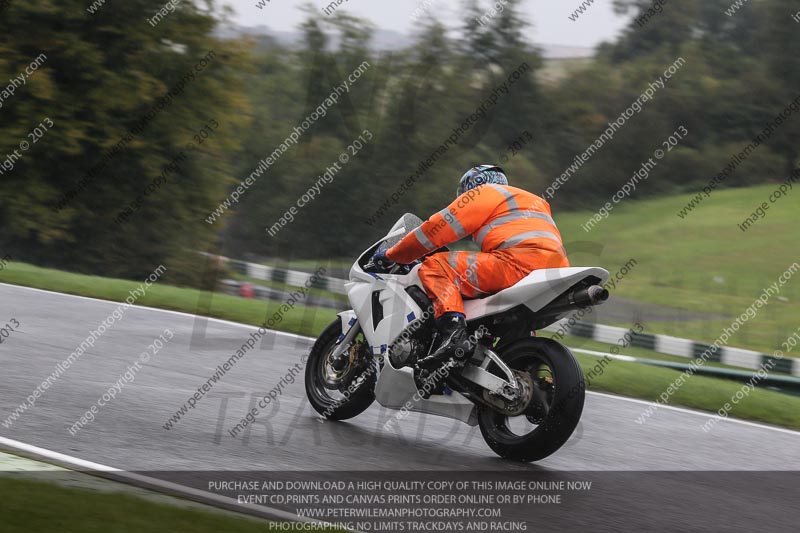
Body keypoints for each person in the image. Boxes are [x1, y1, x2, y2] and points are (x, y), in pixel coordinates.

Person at [373, 165, 570, 369]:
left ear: (470, 187)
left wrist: (393, 255)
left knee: (436, 265)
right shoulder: (531, 201)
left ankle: (453, 336)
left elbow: (436, 230)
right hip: (553, 270)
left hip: (517, 263)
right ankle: (518, 360)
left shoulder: (484, 193)